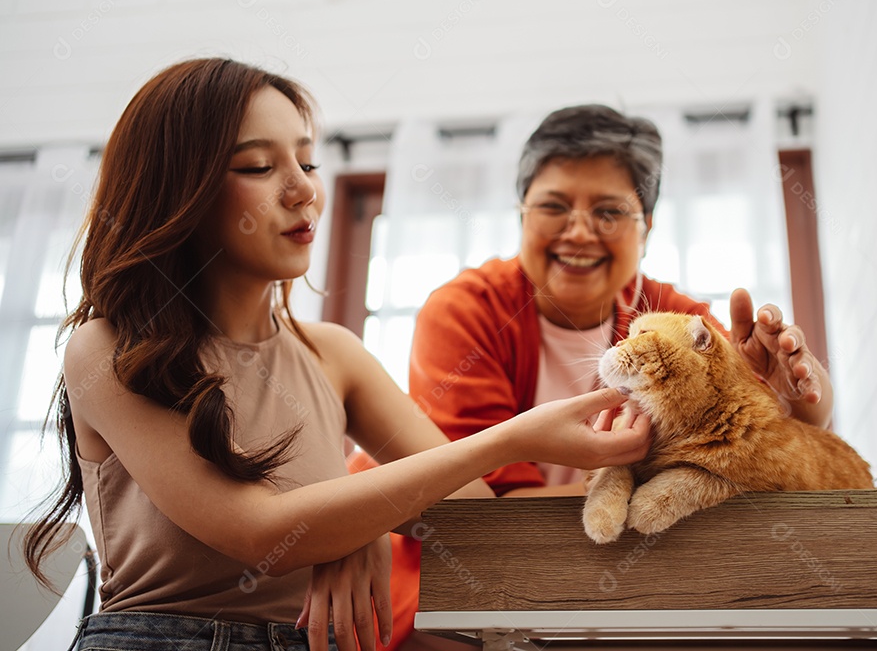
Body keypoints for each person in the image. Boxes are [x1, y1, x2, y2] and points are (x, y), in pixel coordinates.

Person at [22, 61, 651, 651]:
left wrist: (353, 527)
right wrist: (510, 441)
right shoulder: (108, 349)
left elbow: (468, 517)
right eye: (258, 167)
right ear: (178, 192)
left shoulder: (334, 354)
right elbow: (260, 534)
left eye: (307, 161)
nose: (303, 190)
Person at [375, 104, 835, 650]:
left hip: (625, 587)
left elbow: (764, 451)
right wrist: (656, 487)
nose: (579, 231)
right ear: (521, 214)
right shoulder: (464, 312)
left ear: (647, 228)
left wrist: (796, 403)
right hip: (466, 594)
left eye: (609, 211)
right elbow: (487, 510)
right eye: (553, 206)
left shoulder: (674, 319)